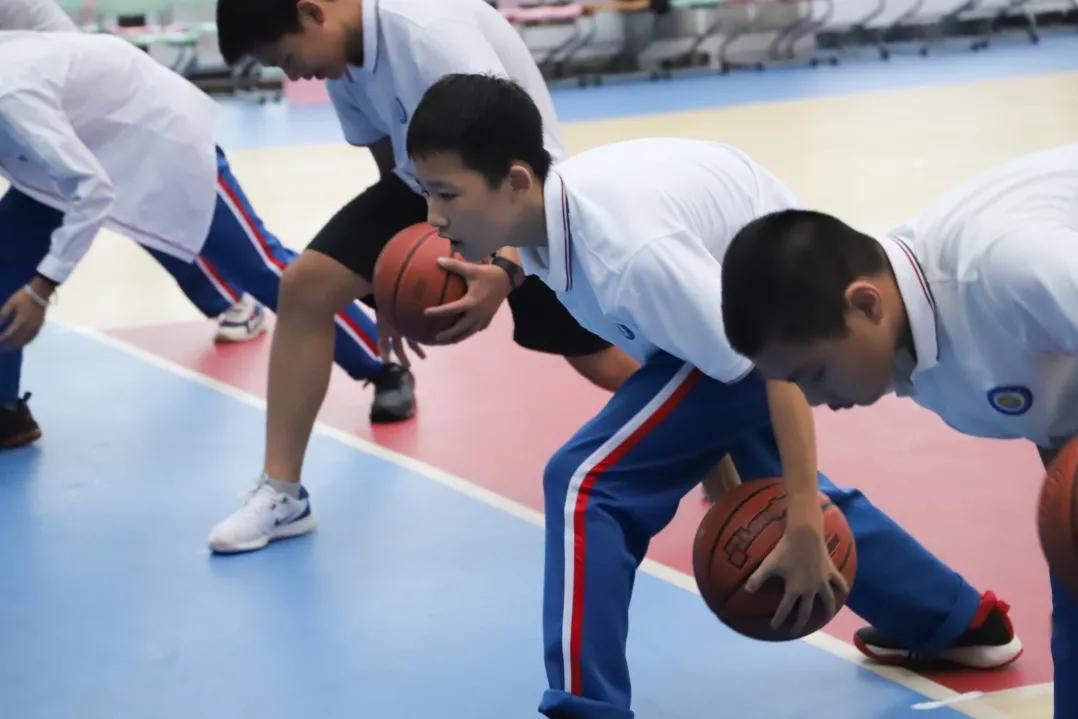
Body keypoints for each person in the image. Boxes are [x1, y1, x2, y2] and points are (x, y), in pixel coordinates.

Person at [404, 73, 1021, 719]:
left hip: (776, 317)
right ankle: (959, 621)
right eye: (426, 193)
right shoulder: (550, 228)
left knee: (587, 484)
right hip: (734, 299)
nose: (433, 217)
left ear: (516, 181)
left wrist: (807, 523)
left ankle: (586, 708)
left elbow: (771, 366)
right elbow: (684, 349)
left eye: (447, 194)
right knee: (765, 478)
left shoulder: (625, 251)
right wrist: (726, 469)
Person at [208, 0, 641, 553]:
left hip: (527, 191)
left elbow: (524, 160)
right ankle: (283, 494)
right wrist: (383, 276)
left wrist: (506, 268)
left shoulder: (429, 31)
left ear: (312, 12)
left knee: (593, 354)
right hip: (432, 189)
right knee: (305, 287)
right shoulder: (341, 56)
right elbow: (394, 167)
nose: (292, 76)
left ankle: (719, 429)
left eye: (288, 58)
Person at [720, 142, 1078, 717]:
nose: (812, 400)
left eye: (813, 374)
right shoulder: (909, 339)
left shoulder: (1005, 267)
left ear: (865, 305)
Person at [0, 30, 389, 456]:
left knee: (261, 267)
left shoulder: (11, 96)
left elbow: (92, 191)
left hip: (160, 140)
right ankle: (6, 411)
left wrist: (41, 291)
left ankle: (382, 366)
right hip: (74, 148)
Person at [0, 0, 270, 348]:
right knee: (11, 242)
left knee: (142, 208)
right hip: (26, 116)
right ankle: (6, 396)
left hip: (66, 108)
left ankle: (230, 299)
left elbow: (70, 65)